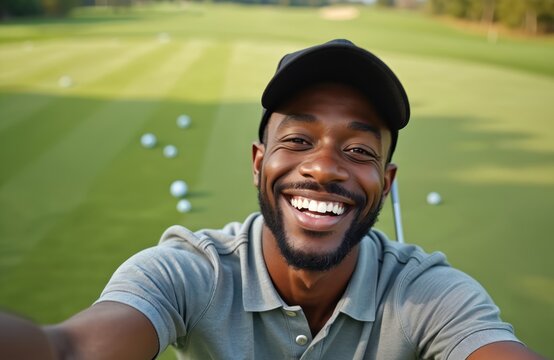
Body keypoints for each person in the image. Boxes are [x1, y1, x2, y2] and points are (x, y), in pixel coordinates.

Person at [0, 39, 545, 360]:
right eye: (297, 141)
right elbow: (69, 349)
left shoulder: (429, 293)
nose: (324, 167)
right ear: (259, 162)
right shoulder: (192, 272)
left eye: (358, 150)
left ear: (388, 179)